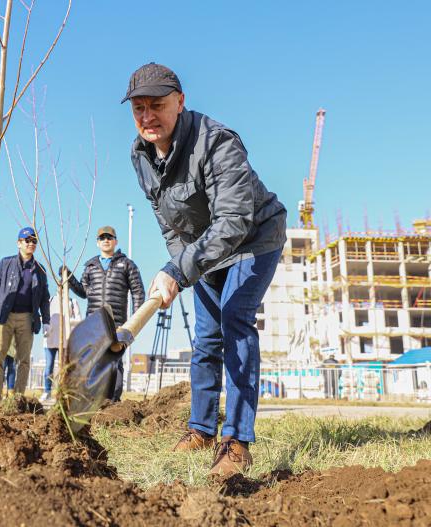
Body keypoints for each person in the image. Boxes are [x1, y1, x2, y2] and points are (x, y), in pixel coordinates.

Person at [123, 63, 286, 475]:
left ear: (180, 101)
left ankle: (236, 440)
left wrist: (179, 270)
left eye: (157, 105)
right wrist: (182, 267)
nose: (147, 117)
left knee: (234, 319)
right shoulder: (140, 154)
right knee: (206, 338)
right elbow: (169, 223)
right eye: (139, 108)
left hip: (253, 238)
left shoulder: (217, 143)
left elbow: (233, 220)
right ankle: (201, 428)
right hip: (206, 251)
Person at [66, 226, 145, 402]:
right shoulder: (90, 266)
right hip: (95, 322)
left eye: (109, 237)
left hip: (117, 322)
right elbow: (84, 292)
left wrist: (135, 322)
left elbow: (138, 292)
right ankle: (95, 400)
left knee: (114, 361)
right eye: (102, 238)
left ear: (115, 241)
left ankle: (113, 402)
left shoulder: (126, 264)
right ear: (97, 242)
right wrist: (69, 278)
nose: (106, 240)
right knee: (94, 362)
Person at [0, 227, 51, 410]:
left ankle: (18, 399)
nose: (31, 243)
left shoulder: (40, 270)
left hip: (27, 318)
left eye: (34, 241)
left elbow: (45, 297)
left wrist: (46, 320)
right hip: (5, 316)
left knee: (24, 360)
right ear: (18, 243)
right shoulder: (6, 263)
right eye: (27, 240)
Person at [41, 288, 81, 402]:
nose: (61, 289)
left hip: (65, 341)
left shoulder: (72, 302)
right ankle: (47, 391)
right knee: (49, 367)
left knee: (63, 367)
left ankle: (62, 392)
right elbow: (44, 316)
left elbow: (79, 320)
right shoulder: (51, 300)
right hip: (50, 340)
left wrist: (66, 320)